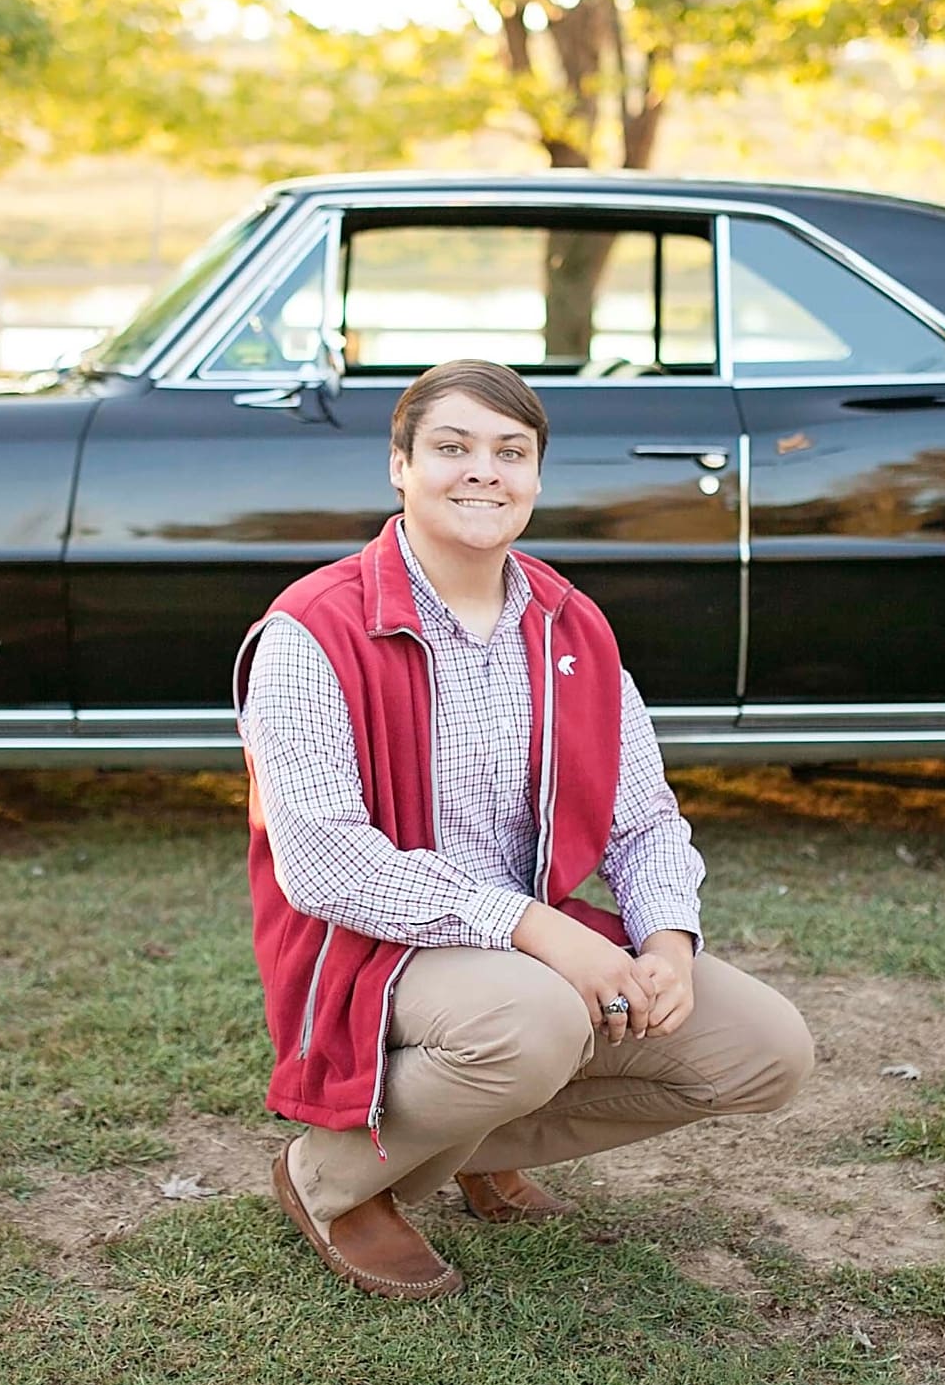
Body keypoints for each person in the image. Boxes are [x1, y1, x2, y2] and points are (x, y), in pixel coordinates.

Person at [233, 357, 815, 1299]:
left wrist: (666, 940)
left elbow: (643, 815)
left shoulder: (570, 625)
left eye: (510, 452)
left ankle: (462, 1142)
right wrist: (537, 929)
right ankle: (333, 1179)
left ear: (537, 476)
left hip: (529, 954)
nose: (483, 472)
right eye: (452, 447)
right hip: (370, 949)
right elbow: (324, 862)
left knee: (763, 1047)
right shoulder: (312, 629)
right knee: (538, 1019)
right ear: (400, 464)